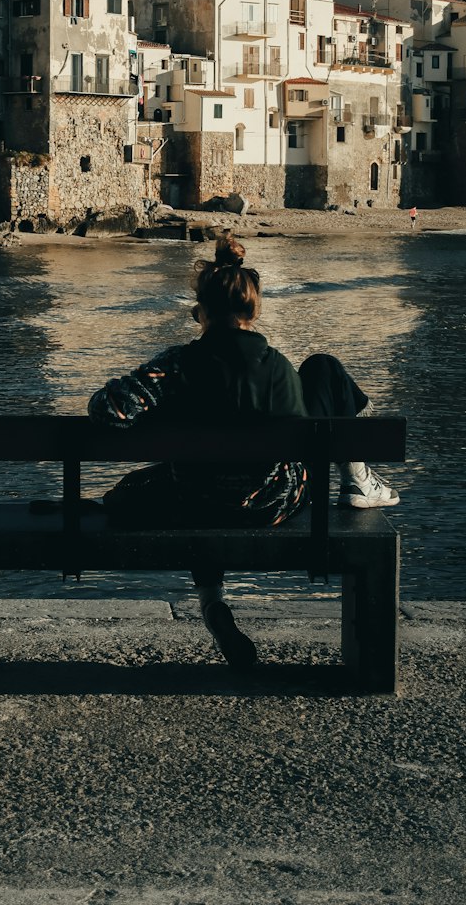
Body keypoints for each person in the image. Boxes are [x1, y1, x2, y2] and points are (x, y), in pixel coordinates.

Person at [87, 231, 398, 672]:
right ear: (253, 309)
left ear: (201, 311)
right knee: (324, 368)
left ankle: (212, 601)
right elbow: (303, 434)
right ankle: (360, 480)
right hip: (273, 503)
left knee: (166, 491)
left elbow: (108, 409)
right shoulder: (277, 367)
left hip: (194, 499)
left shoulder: (177, 364)